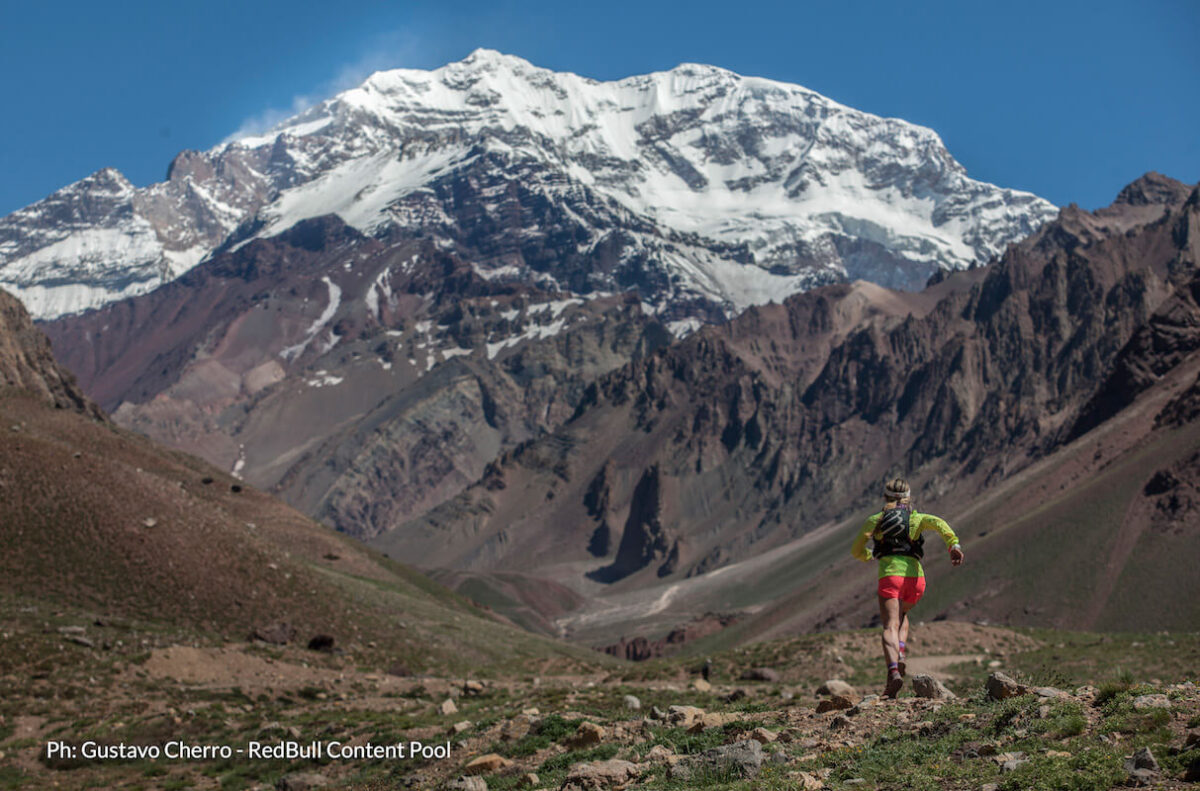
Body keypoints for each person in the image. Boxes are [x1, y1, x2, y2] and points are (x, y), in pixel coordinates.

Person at [850, 477, 964, 698]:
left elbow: (856, 549)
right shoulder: (916, 518)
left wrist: (868, 555)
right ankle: (900, 651)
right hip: (916, 579)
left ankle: (893, 669)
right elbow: (940, 523)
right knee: (903, 614)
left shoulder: (876, 520)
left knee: (889, 626)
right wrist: (954, 545)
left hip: (890, 577)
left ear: (885, 497)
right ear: (908, 498)